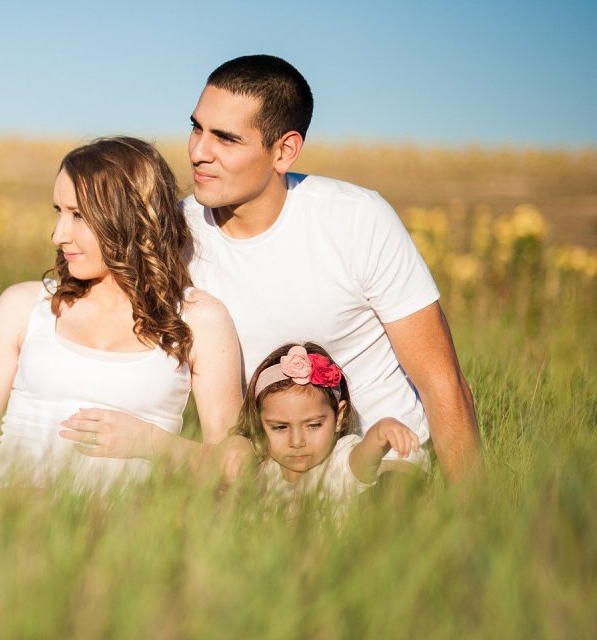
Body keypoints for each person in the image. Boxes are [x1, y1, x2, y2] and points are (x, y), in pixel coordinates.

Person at [89, 55, 482, 484]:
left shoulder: (357, 219)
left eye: (226, 138)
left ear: (284, 150)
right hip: (259, 473)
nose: (199, 152)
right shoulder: (174, 234)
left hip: (378, 468)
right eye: (196, 128)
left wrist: (473, 520)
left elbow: (442, 383)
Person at [0, 137, 242, 493]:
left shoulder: (199, 319)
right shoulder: (24, 307)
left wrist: (153, 443)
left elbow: (236, 466)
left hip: (128, 538)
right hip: (9, 524)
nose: (58, 234)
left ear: (130, 215)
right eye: (58, 211)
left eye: (78, 215)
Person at [233, 342, 420, 512]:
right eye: (280, 427)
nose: (297, 442)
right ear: (258, 423)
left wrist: (381, 432)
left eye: (313, 425)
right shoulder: (262, 466)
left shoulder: (340, 463)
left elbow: (364, 457)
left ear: (338, 417)